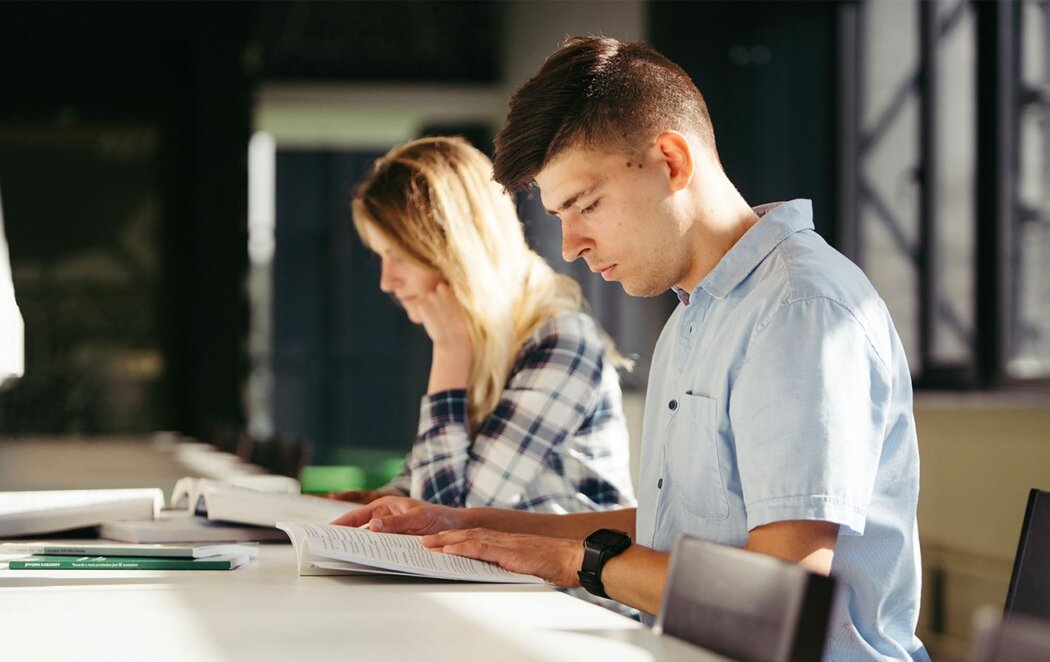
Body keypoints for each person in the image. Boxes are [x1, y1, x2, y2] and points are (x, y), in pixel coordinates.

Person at [334, 37, 930, 661]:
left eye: (586, 204)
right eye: (559, 214)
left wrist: (577, 562)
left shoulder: (799, 311)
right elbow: (669, 531)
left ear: (671, 160)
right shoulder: (698, 313)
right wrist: (459, 524)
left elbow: (780, 596)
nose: (569, 246)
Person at [331, 136, 635, 515]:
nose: (387, 281)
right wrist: (371, 501)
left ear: (452, 250)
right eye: (380, 258)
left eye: (399, 256)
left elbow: (447, 514)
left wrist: (450, 353)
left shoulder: (562, 342)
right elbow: (423, 484)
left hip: (564, 576)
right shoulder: (485, 341)